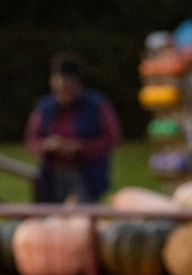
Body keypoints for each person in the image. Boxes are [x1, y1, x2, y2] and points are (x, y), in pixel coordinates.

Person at [24, 53, 122, 203]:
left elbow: (111, 139)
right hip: (52, 176)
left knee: (82, 216)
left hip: (86, 175)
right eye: (59, 89)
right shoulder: (44, 107)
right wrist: (47, 145)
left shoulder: (97, 105)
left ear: (77, 84)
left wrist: (81, 147)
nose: (63, 93)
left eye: (67, 88)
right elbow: (32, 140)